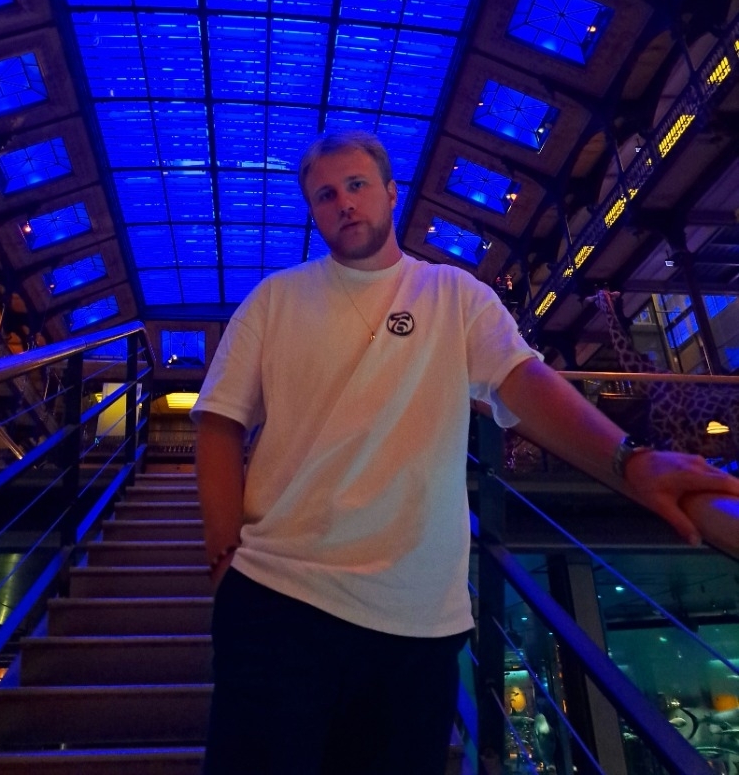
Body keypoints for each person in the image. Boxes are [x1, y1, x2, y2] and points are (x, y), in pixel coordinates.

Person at [192, 130, 738, 775]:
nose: (344, 203)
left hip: (416, 623)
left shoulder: (454, 295)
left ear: (391, 193)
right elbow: (219, 423)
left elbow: (526, 384)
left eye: (357, 185)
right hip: (278, 602)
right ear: (314, 212)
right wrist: (224, 560)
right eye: (325, 195)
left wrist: (630, 461)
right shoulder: (276, 299)